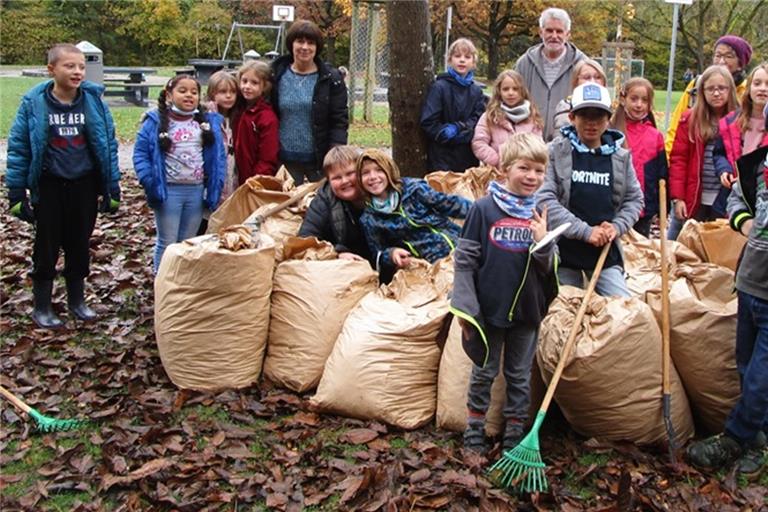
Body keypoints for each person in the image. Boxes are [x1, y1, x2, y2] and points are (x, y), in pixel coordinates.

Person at [451, 133, 558, 455]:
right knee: (484, 371)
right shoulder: (483, 210)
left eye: (539, 171)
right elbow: (465, 260)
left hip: (526, 312)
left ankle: (514, 431)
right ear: (505, 170)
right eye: (525, 168)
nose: (532, 177)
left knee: (519, 374)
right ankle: (474, 428)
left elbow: (547, 268)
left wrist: (543, 241)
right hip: (489, 309)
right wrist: (467, 308)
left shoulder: (539, 212)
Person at [6, 43, 121, 329]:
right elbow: (19, 148)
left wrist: (112, 187)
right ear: (51, 69)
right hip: (50, 186)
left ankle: (77, 301)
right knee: (46, 247)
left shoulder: (93, 101)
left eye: (81, 66)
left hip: (84, 185)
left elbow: (108, 145)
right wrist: (17, 192)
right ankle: (42, 306)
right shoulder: (34, 103)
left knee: (79, 244)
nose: (78, 72)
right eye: (70, 66)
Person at [686, 134, 768, 480]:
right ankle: (757, 438)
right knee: (746, 365)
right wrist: (745, 223)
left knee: (760, 377)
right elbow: (736, 200)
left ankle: (736, 438)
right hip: (750, 282)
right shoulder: (758, 164)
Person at [537, 83, 643, 297]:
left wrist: (617, 226)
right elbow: (545, 200)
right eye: (584, 115)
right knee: (562, 312)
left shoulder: (620, 157)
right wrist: (585, 232)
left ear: (608, 119)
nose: (592, 123)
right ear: (572, 117)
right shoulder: (555, 153)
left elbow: (634, 200)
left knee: (623, 310)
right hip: (564, 253)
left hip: (605, 254)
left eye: (599, 116)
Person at [133, 75, 227, 273]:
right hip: (168, 191)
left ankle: (179, 284)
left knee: (187, 242)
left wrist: (213, 187)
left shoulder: (205, 123)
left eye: (194, 92)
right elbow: (141, 154)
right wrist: (148, 180)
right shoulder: (155, 122)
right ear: (169, 95)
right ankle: (162, 284)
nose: (189, 96)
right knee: (167, 242)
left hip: (196, 190)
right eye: (182, 91)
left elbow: (217, 157)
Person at [357, 149, 472, 272]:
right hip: (427, 266)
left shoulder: (414, 189)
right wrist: (391, 254)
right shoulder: (370, 219)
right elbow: (378, 254)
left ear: (389, 171)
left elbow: (447, 203)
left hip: (458, 244)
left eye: (379, 170)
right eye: (365, 173)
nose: (373, 177)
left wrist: (480, 212)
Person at [271, 19, 348, 184]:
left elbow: (339, 120)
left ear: (317, 47)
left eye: (310, 43)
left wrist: (334, 154)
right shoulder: (275, 75)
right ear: (291, 44)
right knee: (287, 207)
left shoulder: (331, 79)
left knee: (321, 206)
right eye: (300, 41)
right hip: (284, 160)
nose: (305, 47)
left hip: (320, 160)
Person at [667, 65, 738, 240]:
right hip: (694, 194)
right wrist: (678, 198)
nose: (716, 93)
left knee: (717, 248)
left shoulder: (739, 120)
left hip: (724, 197)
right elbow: (679, 160)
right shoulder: (690, 120)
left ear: (730, 90)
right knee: (681, 245)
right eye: (710, 89)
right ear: (702, 92)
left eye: (721, 88)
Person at [666, 35, 753, 156]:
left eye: (729, 56)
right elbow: (675, 127)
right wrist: (668, 159)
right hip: (695, 162)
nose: (722, 61)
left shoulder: (749, 92)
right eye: (718, 55)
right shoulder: (696, 86)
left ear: (740, 63)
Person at [515, 7, 585, 141]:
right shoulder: (524, 64)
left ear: (568, 34)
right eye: (549, 30)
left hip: (568, 142)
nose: (554, 36)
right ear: (540, 32)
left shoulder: (582, 65)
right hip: (529, 143)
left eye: (559, 31)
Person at [610, 77, 668, 237]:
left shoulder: (655, 136)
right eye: (634, 99)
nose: (639, 105)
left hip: (644, 208)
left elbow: (662, 174)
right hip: (615, 207)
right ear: (623, 99)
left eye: (644, 100)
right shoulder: (611, 132)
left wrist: (662, 209)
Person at [420, 38, 487, 172]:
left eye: (467, 57)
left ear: (473, 62)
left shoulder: (476, 92)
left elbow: (478, 119)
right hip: (442, 156)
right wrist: (443, 133)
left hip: (467, 156)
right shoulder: (439, 88)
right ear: (450, 60)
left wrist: (462, 129)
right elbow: (429, 121)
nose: (462, 60)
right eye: (457, 56)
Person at [298, 145, 372, 263]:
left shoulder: (377, 193)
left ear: (360, 172)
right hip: (342, 267)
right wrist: (337, 253)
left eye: (350, 173)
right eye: (337, 178)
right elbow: (305, 240)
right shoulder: (322, 203)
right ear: (328, 180)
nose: (345, 181)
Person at [471, 69, 543, 168]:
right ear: (499, 91)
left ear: (522, 90)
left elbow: (538, 146)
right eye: (505, 89)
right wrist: (496, 160)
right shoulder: (490, 116)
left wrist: (523, 164)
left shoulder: (532, 117)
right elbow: (479, 142)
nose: (510, 93)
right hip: (497, 175)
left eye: (515, 89)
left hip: (524, 174)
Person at [713, 63, 768, 187]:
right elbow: (719, 153)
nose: (763, 88)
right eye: (757, 83)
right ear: (748, 88)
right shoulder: (730, 122)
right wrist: (724, 170)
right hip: (732, 190)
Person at [234, 60, 279, 182]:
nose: (247, 87)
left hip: (252, 180)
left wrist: (256, 180)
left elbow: (267, 157)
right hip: (233, 177)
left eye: (254, 83)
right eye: (244, 81)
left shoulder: (266, 117)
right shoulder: (236, 109)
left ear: (264, 86)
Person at [552, 58, 608, 133]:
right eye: (586, 77)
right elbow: (561, 136)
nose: (592, 82)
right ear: (576, 81)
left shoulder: (608, 104)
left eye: (597, 77)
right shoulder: (566, 106)